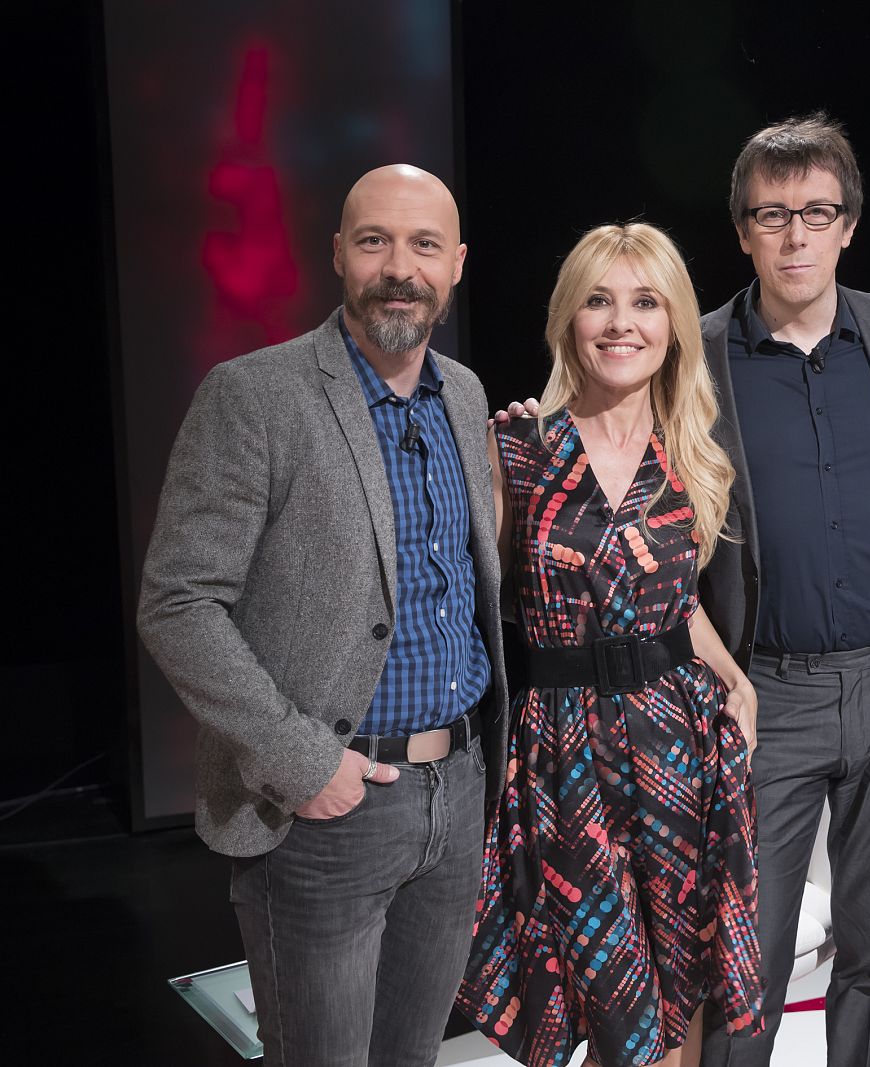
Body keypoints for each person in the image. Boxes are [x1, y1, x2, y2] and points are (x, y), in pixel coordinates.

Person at [138, 164, 509, 1067]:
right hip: (327, 808)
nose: (400, 266)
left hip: (455, 797)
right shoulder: (254, 396)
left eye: (425, 245)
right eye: (375, 240)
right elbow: (178, 601)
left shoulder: (463, 394)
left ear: (456, 264)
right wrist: (306, 763)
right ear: (338, 252)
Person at [458, 222, 763, 1067]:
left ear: (672, 325)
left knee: (679, 982)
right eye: (598, 300)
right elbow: (480, 604)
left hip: (680, 746)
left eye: (644, 301)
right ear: (568, 320)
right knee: (599, 992)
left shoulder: (694, 454)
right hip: (565, 756)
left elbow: (674, 604)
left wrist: (733, 677)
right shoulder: (516, 445)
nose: (621, 322)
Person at [695, 113, 870, 1067]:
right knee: (746, 960)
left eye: (816, 212)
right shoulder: (698, 353)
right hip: (767, 694)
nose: (795, 234)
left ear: (849, 225)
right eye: (773, 214)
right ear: (743, 229)